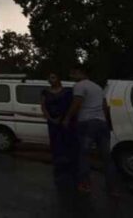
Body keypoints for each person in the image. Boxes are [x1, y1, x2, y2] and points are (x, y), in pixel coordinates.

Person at [65, 63, 117, 195]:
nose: (71, 75)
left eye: (73, 73)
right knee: (106, 157)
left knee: (84, 155)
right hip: (102, 124)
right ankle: (112, 188)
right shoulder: (98, 87)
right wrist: (108, 123)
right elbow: (105, 106)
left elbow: (77, 103)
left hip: (87, 123)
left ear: (80, 72)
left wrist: (67, 118)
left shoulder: (79, 86)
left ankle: (85, 184)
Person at [40, 73, 78, 186]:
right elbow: (43, 106)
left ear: (58, 79)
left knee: (68, 142)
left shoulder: (67, 91)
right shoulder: (45, 92)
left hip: (66, 122)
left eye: (53, 77)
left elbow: (71, 106)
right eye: (49, 78)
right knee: (55, 143)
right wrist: (50, 118)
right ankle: (58, 167)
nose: (51, 80)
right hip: (52, 122)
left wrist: (65, 118)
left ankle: (70, 167)